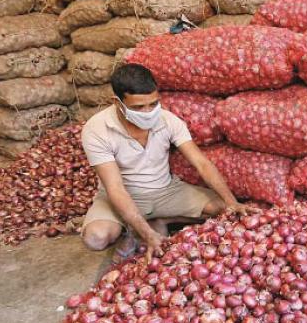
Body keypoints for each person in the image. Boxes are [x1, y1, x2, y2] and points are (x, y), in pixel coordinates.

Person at [80, 64, 253, 263]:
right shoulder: (97, 129)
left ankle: (162, 219)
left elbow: (201, 163)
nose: (148, 112)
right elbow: (115, 188)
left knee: (227, 209)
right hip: (123, 195)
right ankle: (139, 225)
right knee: (96, 238)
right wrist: (148, 235)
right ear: (117, 102)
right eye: (138, 107)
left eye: (153, 104)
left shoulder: (168, 120)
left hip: (165, 191)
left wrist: (231, 201)